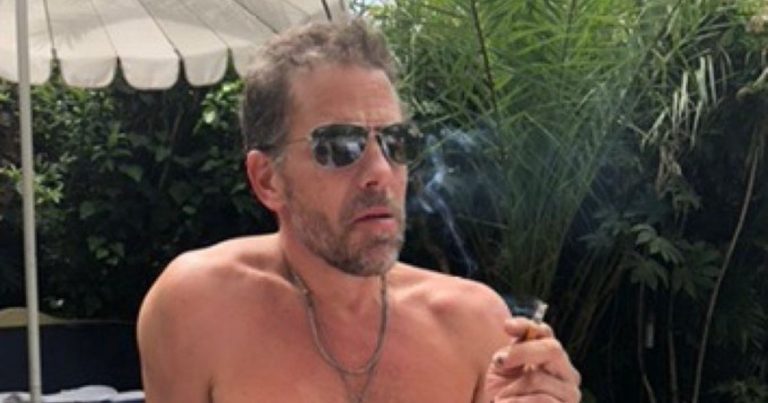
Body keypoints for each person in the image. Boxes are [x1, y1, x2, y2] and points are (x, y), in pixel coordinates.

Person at [137, 18, 581, 403]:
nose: (380, 172)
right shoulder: (199, 309)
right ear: (268, 179)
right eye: (339, 146)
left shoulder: (475, 325)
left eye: (395, 142)